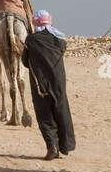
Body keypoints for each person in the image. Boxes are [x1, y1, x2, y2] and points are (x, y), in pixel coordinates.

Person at [22, 10, 76, 160]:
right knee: (61, 110)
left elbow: (25, 62)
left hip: (40, 83)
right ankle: (65, 146)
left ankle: (52, 146)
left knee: (44, 113)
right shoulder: (60, 39)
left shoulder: (31, 40)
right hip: (58, 82)